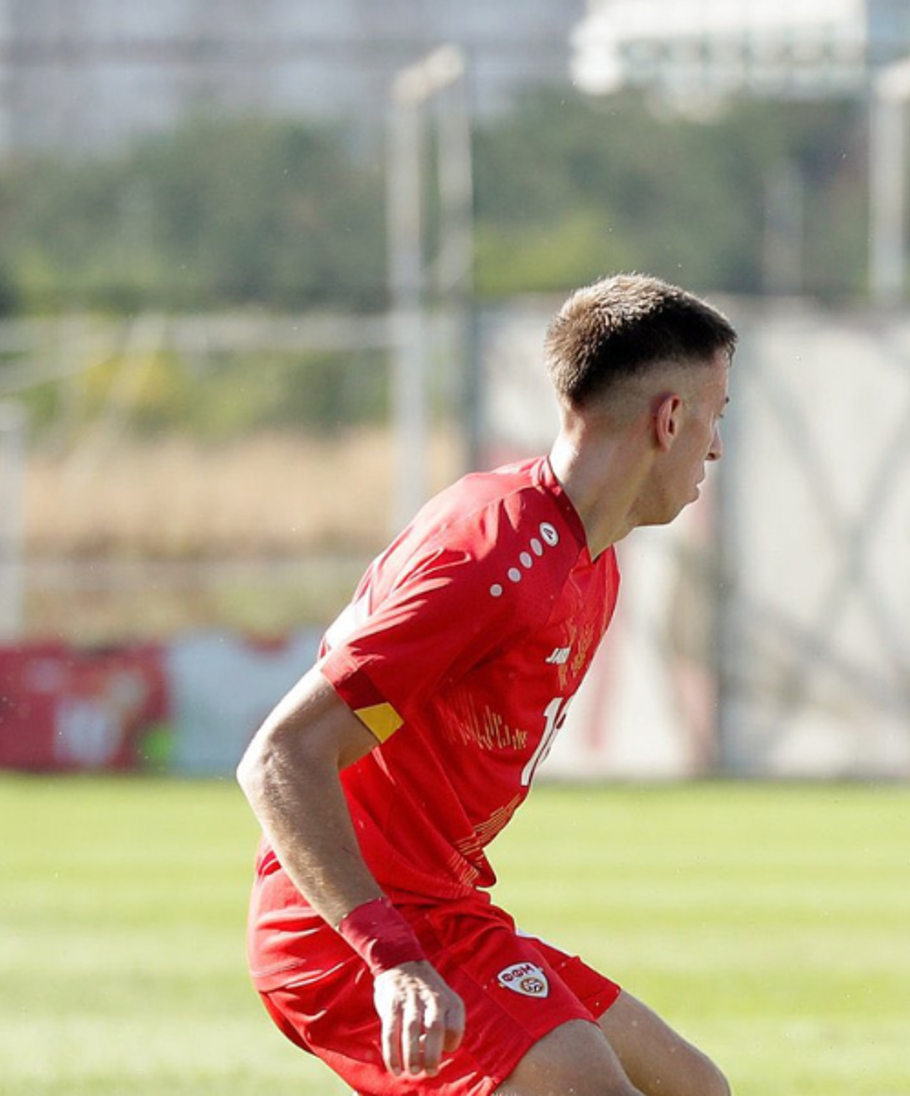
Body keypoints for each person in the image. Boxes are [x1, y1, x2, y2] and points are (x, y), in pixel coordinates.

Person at [238, 274, 736, 1095]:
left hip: (443, 910)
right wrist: (393, 960)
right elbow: (280, 756)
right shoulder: (493, 556)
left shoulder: (587, 558)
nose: (715, 448)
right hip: (346, 930)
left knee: (693, 1088)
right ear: (671, 418)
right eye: (717, 416)